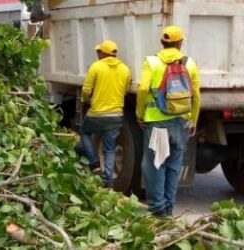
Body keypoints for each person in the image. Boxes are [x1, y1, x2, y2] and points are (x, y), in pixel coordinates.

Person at [136, 25, 201, 217]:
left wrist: (140, 113)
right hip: (182, 123)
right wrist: (194, 119)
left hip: (158, 124)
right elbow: (196, 94)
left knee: (156, 164)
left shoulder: (152, 62)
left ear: (162, 42)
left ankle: (158, 209)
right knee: (174, 165)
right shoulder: (189, 63)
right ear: (180, 43)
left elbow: (142, 90)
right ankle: (169, 207)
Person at [81, 40, 131, 188]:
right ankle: (107, 179)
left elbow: (86, 89)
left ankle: (94, 162)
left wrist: (85, 100)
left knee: (85, 132)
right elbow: (125, 90)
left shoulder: (96, 67)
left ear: (103, 53)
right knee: (109, 148)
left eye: (98, 52)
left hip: (96, 114)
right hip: (115, 115)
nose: (97, 54)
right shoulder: (125, 69)